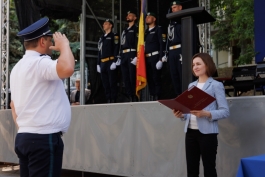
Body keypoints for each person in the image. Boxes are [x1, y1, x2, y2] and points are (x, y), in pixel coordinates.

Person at [10, 17, 75, 177]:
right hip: (43, 139)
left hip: (24, 136)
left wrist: (27, 128)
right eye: (50, 40)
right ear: (42, 42)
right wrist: (65, 46)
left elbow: (13, 106)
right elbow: (67, 68)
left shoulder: (17, 68)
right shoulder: (40, 63)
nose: (53, 44)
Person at [173, 53, 230, 177]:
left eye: (198, 64)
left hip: (208, 133)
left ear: (207, 65)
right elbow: (189, 110)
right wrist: (182, 115)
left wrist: (207, 113)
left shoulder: (216, 85)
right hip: (190, 133)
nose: (195, 67)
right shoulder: (191, 86)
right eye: (193, 65)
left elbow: (225, 111)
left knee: (209, 169)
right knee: (191, 170)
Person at [117, 11, 138, 102]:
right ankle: (129, 96)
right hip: (124, 54)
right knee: (125, 77)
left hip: (131, 53)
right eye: (127, 15)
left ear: (135, 18)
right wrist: (119, 56)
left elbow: (138, 42)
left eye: (130, 15)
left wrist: (137, 56)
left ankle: (134, 95)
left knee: (132, 76)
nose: (128, 17)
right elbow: (121, 44)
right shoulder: (124, 30)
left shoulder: (136, 29)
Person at [97, 19, 119, 103]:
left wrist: (115, 61)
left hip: (110, 61)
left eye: (106, 24)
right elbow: (99, 51)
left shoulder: (114, 35)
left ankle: (113, 99)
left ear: (110, 25)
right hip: (103, 62)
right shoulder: (101, 37)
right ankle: (108, 99)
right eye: (103, 24)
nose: (104, 25)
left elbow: (116, 48)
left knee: (112, 82)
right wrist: (98, 63)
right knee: (105, 83)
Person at [144, 12, 166, 101]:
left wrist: (161, 58)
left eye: (149, 17)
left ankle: (158, 96)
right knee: (149, 78)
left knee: (156, 77)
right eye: (147, 17)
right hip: (147, 57)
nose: (147, 18)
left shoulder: (158, 29)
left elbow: (162, 44)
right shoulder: (146, 32)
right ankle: (152, 96)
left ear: (154, 19)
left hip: (155, 57)